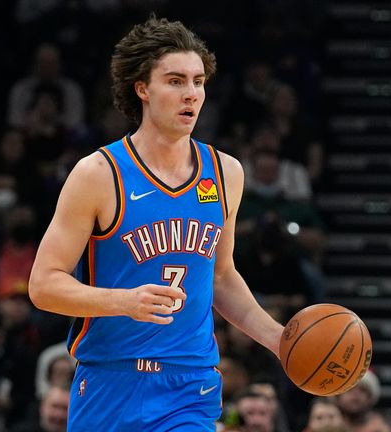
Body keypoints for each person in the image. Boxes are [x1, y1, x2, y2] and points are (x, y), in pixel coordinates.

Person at [28, 15, 285, 431]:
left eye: (199, 81)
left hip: (191, 384)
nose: (192, 95)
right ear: (142, 88)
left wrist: (279, 339)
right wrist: (123, 301)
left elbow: (220, 278)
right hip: (111, 378)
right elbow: (43, 285)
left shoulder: (225, 173)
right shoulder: (99, 174)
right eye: (176, 81)